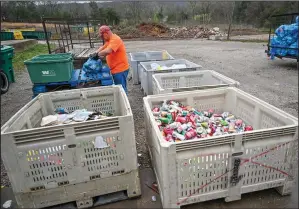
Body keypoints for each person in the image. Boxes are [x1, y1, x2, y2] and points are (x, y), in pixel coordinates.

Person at [97, 25, 129, 94]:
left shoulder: (115, 39)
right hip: (115, 69)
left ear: (106, 33)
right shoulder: (109, 40)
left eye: (102, 36)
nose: (102, 38)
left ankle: (124, 103)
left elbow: (108, 50)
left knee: (121, 90)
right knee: (118, 88)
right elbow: (103, 48)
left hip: (120, 70)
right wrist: (95, 53)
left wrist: (98, 54)